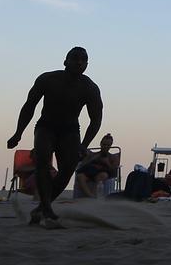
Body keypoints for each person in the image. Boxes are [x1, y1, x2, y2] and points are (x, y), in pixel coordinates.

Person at [7, 47, 103, 227]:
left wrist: (84, 144)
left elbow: (96, 120)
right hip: (46, 127)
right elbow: (29, 106)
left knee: (68, 168)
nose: (79, 62)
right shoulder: (48, 79)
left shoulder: (89, 87)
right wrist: (18, 133)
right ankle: (47, 209)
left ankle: (43, 207)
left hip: (70, 130)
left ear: (87, 65)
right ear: (65, 61)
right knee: (43, 162)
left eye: (83, 60)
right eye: (75, 59)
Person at [74, 132, 118, 198]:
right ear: (100, 144)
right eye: (104, 144)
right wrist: (92, 159)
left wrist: (107, 163)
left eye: (108, 145)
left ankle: (95, 194)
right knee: (80, 176)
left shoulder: (112, 157)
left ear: (110, 146)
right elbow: (82, 165)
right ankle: (90, 196)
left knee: (102, 175)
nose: (105, 146)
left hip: (101, 173)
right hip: (89, 173)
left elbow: (114, 171)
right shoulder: (93, 154)